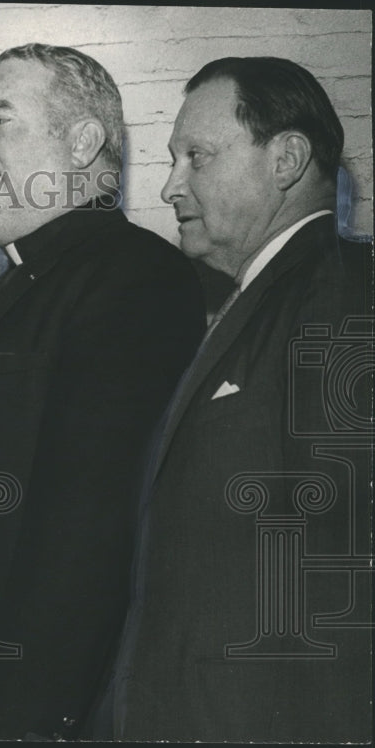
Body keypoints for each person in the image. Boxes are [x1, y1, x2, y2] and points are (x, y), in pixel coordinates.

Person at [0, 44, 207, 739]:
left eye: (1, 121)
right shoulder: (24, 284)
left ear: (83, 141)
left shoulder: (132, 278)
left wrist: (26, 724)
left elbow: (88, 544)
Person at [109, 57, 373, 743]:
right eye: (173, 160)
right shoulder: (254, 301)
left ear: (285, 158)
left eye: (197, 156)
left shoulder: (342, 299)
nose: (171, 185)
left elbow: (341, 574)